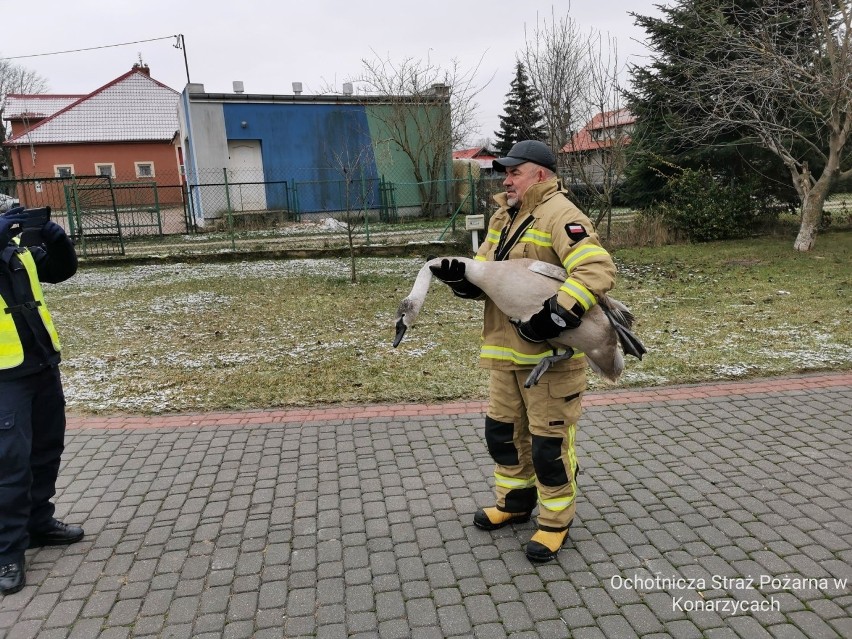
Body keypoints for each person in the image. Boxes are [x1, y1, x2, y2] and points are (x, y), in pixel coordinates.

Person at [430, 140, 616, 563]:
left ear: (541, 175)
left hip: (550, 362)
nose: (506, 179)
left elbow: (596, 269)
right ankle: (514, 503)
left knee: (548, 445)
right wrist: (462, 280)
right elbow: (488, 274)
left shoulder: (563, 215)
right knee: (504, 436)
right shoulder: (502, 216)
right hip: (505, 354)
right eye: (505, 173)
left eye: (515, 172)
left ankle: (555, 522)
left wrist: (556, 315)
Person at [0, 206, 82, 596]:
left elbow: (58, 271)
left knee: (46, 450)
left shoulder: (15, 244)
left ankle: (38, 523)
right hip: (3, 374)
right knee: (9, 465)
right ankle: (6, 553)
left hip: (40, 361)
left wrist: (56, 238)